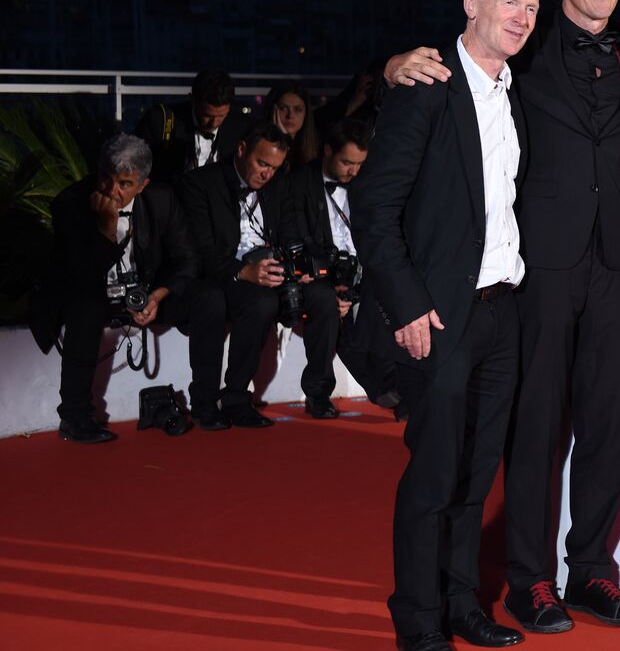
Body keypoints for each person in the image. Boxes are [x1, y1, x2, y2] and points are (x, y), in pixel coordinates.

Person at [383, 0, 620, 635]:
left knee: (607, 427)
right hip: (535, 275)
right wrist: (394, 62)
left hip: (613, 267)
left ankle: (591, 568)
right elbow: (442, 77)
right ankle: (528, 581)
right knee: (532, 432)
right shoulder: (520, 53)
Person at [351, 0, 538, 651]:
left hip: (502, 312)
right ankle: (418, 616)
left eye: (530, 6)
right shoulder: (426, 88)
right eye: (509, 3)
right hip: (439, 316)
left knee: (475, 472)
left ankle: (464, 604)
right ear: (471, 5)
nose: (521, 16)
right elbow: (373, 207)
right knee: (432, 473)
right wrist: (404, 303)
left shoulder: (513, 94)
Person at [30, 134, 226, 443]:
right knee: (86, 307)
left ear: (142, 185)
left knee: (210, 299)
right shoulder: (71, 202)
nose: (112, 190)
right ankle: (75, 417)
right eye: (106, 179)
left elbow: (188, 260)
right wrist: (106, 228)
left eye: (124, 184)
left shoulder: (162, 199)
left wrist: (158, 296)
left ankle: (206, 404)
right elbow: (81, 277)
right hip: (90, 292)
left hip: (145, 293)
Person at [179, 122, 342, 427]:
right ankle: (231, 399)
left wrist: (298, 268)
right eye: (262, 163)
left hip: (270, 272)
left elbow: (291, 233)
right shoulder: (201, 184)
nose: (267, 174)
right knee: (260, 302)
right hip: (224, 276)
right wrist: (243, 272)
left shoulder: (278, 185)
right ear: (242, 150)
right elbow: (199, 253)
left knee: (322, 295)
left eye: (274, 167)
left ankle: (319, 395)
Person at [276, 117, 398, 411]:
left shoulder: (365, 182)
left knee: (390, 292)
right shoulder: (298, 184)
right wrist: (336, 285)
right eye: (347, 163)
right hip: (320, 276)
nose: (353, 171)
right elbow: (293, 238)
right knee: (326, 302)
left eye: (359, 164)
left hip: (363, 270)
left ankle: (394, 386)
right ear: (328, 151)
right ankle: (321, 392)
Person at [134, 70, 252, 184]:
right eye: (207, 115)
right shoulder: (160, 120)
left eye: (221, 116)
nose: (214, 123)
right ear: (192, 100)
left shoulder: (240, 127)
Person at [264, 82, 319, 172]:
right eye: (283, 108)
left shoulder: (314, 150)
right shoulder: (260, 145)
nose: (290, 116)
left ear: (306, 114)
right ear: (273, 110)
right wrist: (284, 138)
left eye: (298, 110)